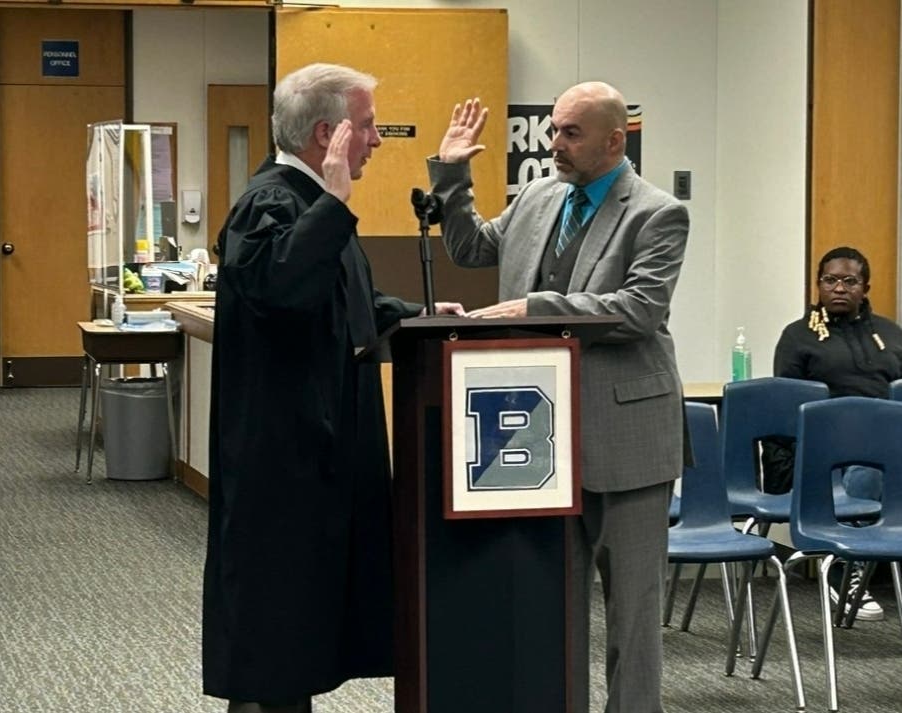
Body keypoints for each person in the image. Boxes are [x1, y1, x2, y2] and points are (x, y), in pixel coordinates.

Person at [203, 63, 463, 713]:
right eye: (367, 126)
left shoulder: (309, 204)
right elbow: (283, 290)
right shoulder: (270, 201)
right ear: (330, 134)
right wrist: (336, 199)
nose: (377, 140)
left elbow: (346, 301)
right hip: (279, 469)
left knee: (297, 642)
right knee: (273, 650)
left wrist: (420, 316)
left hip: (315, 462)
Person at [427, 83, 689, 713]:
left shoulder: (656, 212)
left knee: (631, 614)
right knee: (555, 611)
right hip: (539, 441)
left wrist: (536, 308)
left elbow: (640, 310)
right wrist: (453, 172)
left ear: (614, 140)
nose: (555, 144)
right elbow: (469, 248)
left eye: (571, 133)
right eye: (553, 131)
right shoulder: (541, 196)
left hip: (627, 438)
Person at [767, 245, 902, 621]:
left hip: (887, 448)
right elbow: (782, 411)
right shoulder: (798, 337)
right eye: (830, 280)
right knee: (869, 465)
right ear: (818, 286)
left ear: (865, 287)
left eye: (849, 281)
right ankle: (846, 570)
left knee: (883, 454)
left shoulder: (891, 335)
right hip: (821, 457)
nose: (839, 288)